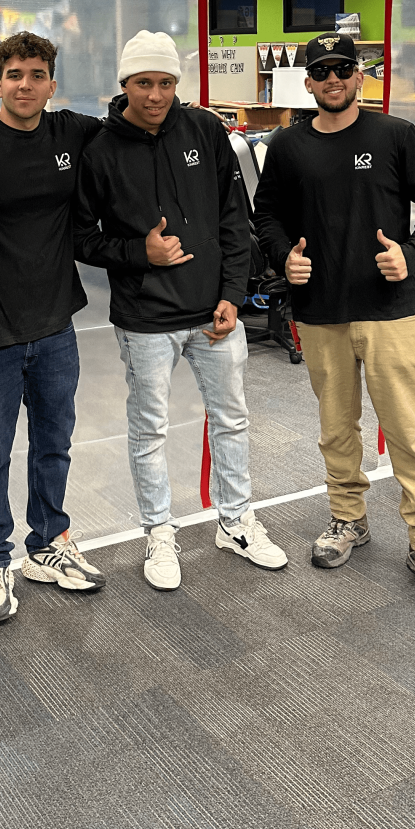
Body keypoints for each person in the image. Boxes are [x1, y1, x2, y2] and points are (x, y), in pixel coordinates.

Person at [72, 29, 287, 591]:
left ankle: (236, 523)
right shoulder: (100, 151)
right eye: (144, 82)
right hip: (146, 321)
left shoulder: (205, 130)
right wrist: (138, 253)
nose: (156, 95)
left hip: (214, 313)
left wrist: (233, 295)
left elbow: (233, 218)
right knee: (150, 429)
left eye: (166, 82)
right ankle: (159, 532)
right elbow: (81, 238)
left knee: (232, 419)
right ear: (125, 84)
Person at [252, 33, 415, 604]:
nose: (333, 79)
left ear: (359, 76)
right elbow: (266, 215)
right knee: (336, 428)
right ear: (307, 82)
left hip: (390, 312)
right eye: (321, 71)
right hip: (321, 314)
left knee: (409, 431)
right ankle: (349, 519)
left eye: (343, 68)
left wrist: (411, 254)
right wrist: (283, 257)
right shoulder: (287, 145)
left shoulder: (396, 135)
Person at [0, 32, 107, 626]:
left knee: (53, 444)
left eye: (37, 74)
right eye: (15, 74)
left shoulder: (73, 132)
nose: (26, 85)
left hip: (55, 328)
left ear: (52, 84)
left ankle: (47, 544)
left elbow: (139, 131)